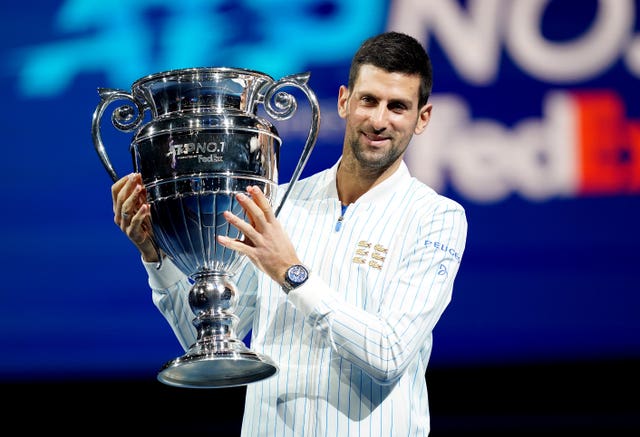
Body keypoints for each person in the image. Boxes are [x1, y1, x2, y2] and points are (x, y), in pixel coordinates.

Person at [112, 31, 468, 436]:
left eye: (398, 106)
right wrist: (154, 256)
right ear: (343, 102)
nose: (379, 119)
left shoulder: (436, 218)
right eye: (368, 100)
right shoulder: (278, 203)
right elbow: (210, 339)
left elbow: (387, 355)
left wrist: (292, 273)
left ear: (422, 118)